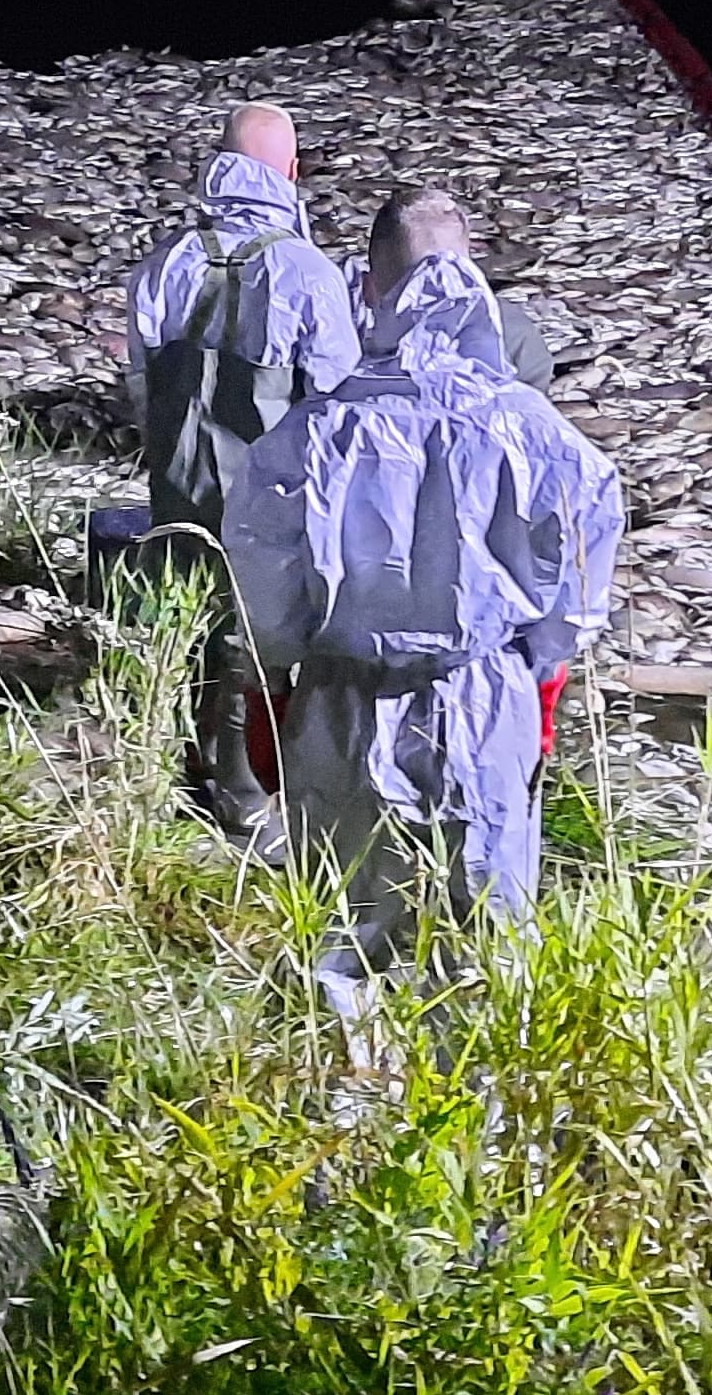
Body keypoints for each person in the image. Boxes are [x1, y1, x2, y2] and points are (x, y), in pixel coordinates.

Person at [227, 187, 623, 1011]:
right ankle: (481, 1083)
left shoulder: (314, 431)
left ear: (369, 287)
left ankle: (348, 1076)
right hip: (487, 699)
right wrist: (542, 692)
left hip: (341, 702)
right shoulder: (541, 434)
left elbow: (263, 592)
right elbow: (574, 602)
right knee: (484, 936)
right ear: (474, 279)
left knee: (341, 927)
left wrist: (269, 698)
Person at [124, 102, 360, 828]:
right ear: (291, 172)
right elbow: (338, 402)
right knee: (258, 630)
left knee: (179, 611)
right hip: (270, 491)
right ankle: (244, 790)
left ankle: (170, 757)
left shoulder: (165, 263)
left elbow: (140, 384)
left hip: (178, 481)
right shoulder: (307, 272)